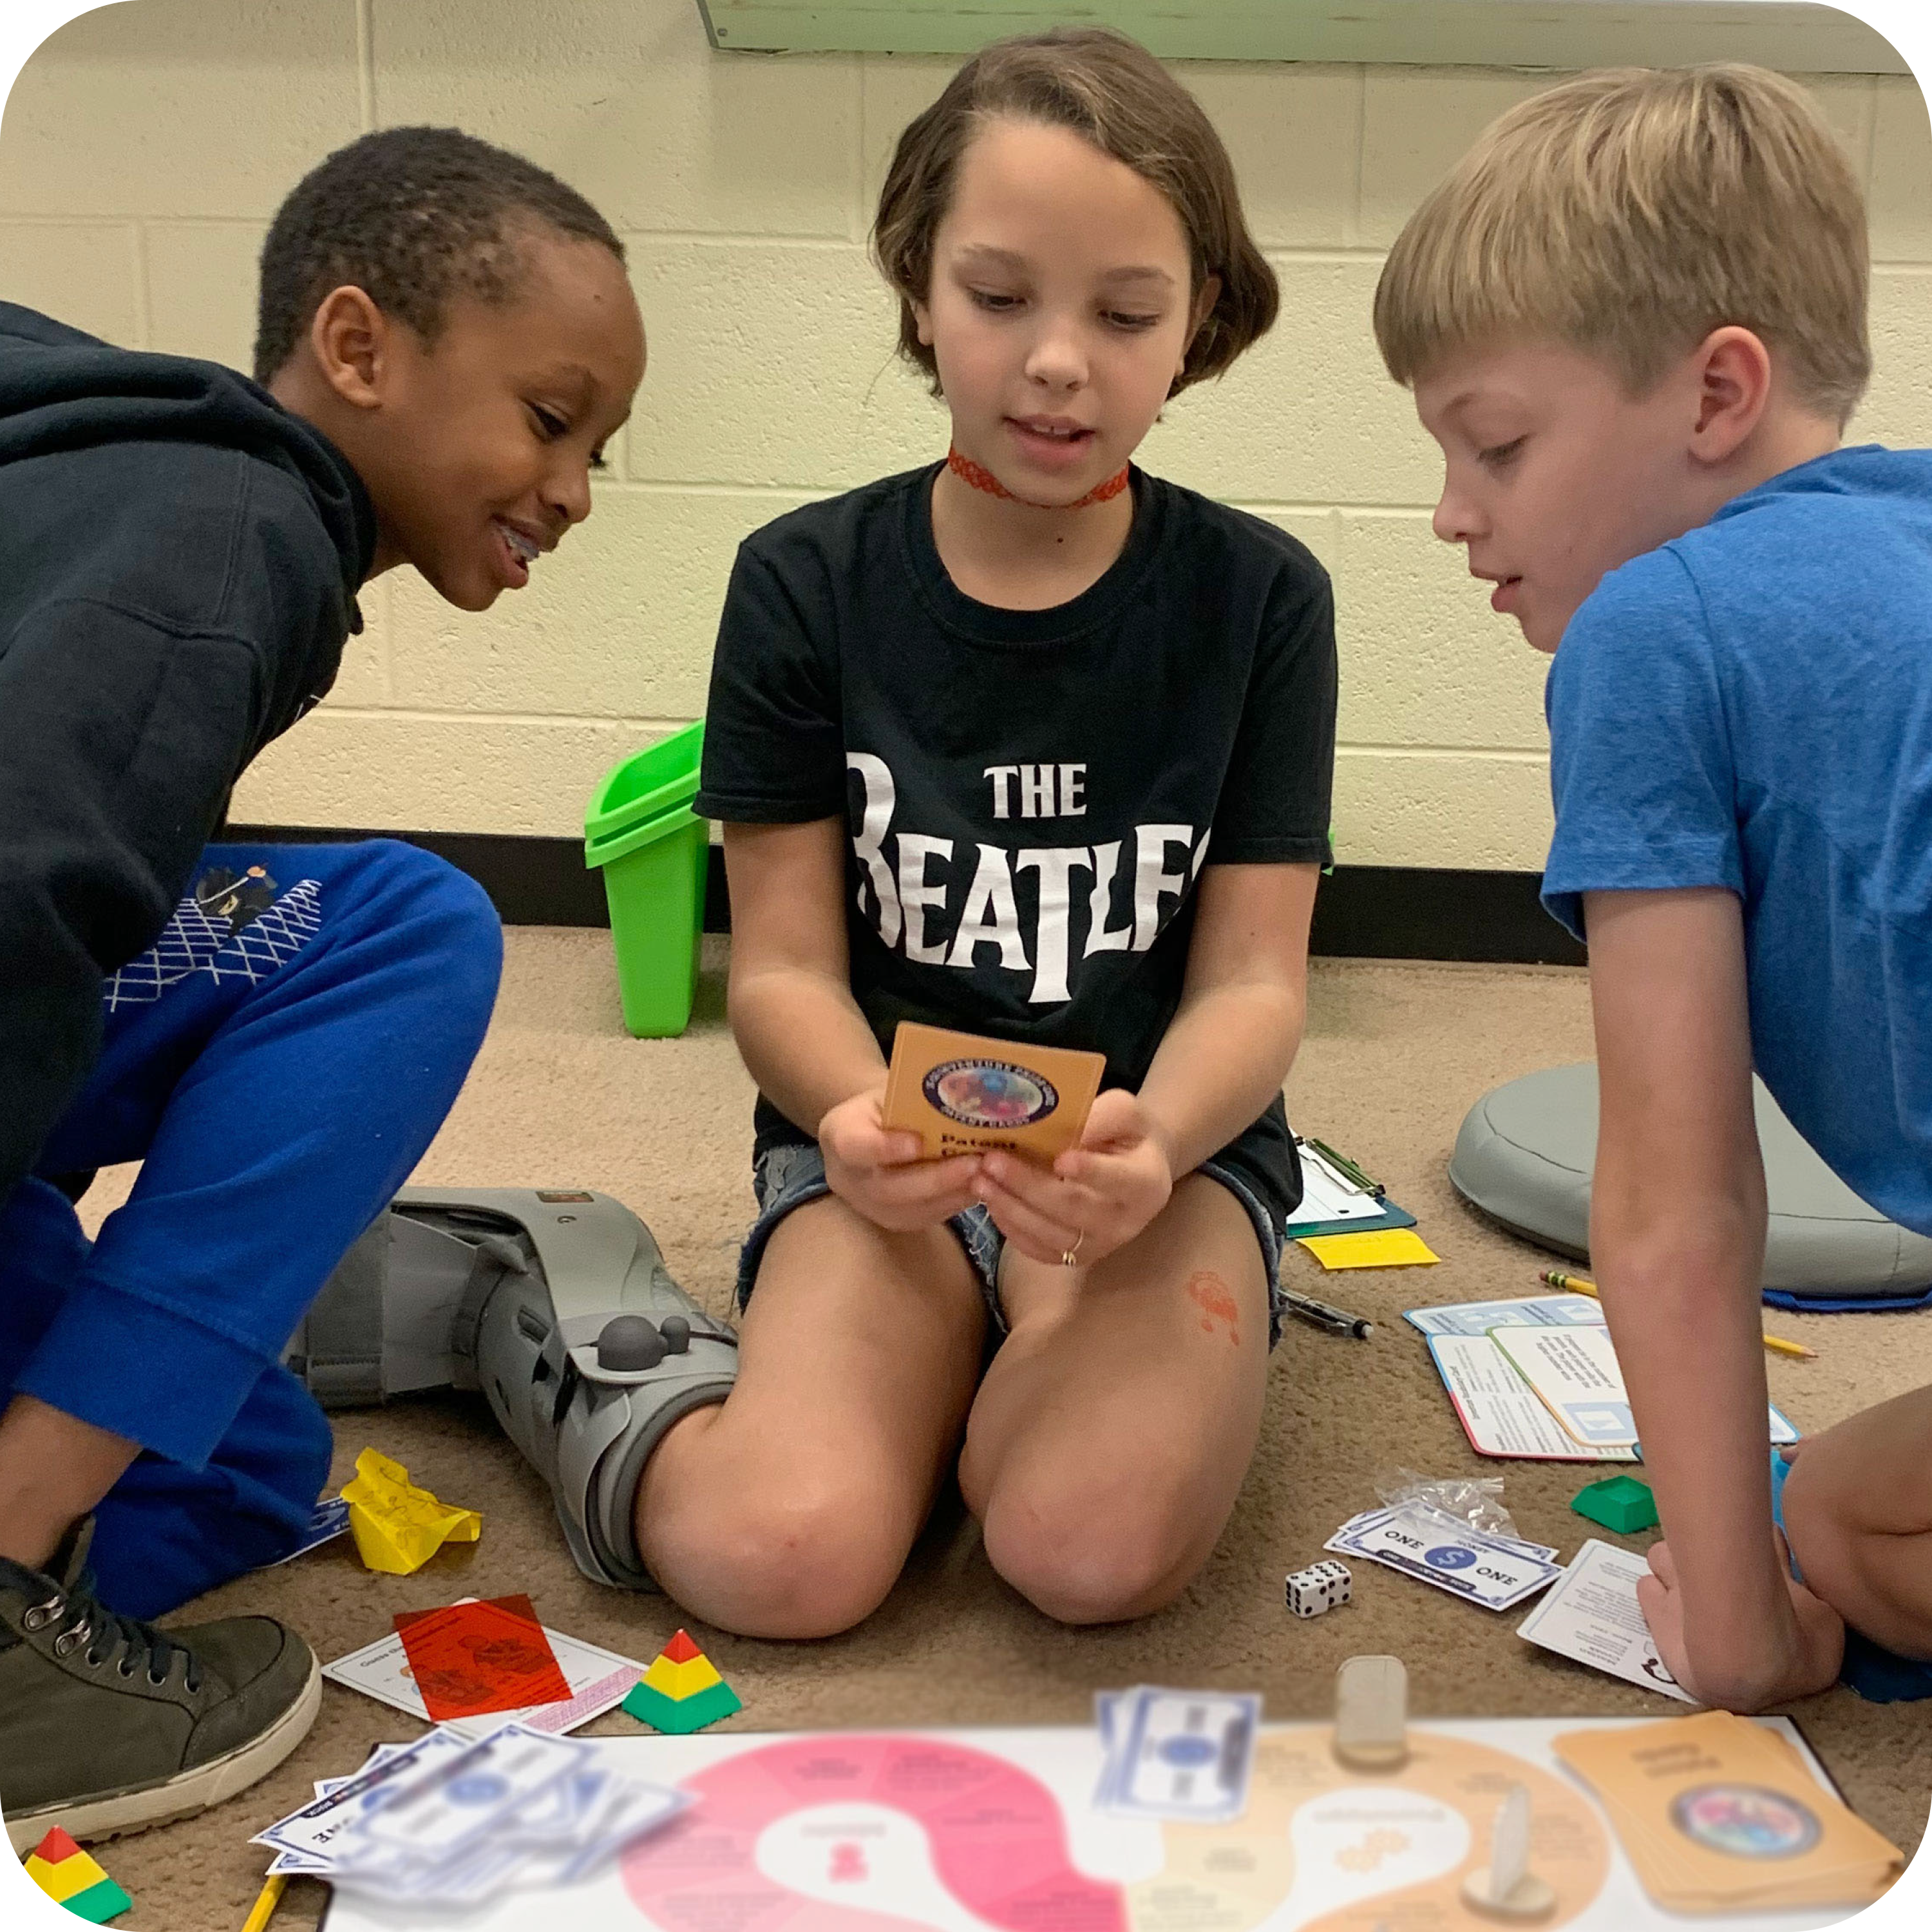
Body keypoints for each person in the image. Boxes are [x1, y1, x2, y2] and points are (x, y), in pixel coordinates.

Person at [523, 24, 1335, 1640]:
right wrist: (842, 1121)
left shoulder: (1263, 599)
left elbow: (1255, 986)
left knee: (1084, 1551)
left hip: (1153, 1166)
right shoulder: (804, 582)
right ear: (916, 290)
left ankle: (1027, 1361)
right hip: (878, 1157)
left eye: (1125, 313)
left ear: (1199, 330)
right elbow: (782, 974)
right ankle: (541, 1325)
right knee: (781, 1559)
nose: (1057, 361)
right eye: (998, 294)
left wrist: (1160, 1145)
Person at [0, 126, 645, 1846]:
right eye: (551, 417)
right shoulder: (234, 543)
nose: (576, 487)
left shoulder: (120, 449)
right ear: (357, 350)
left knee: (240, 1459)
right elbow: (18, 897)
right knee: (414, 930)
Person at [1374, 64, 1931, 1710]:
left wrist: (1748, 1637)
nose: (1451, 515)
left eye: (1496, 446)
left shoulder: (1654, 632)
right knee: (1843, 1498)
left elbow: (1679, 1211)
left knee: (1820, 1525)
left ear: (1716, 395)